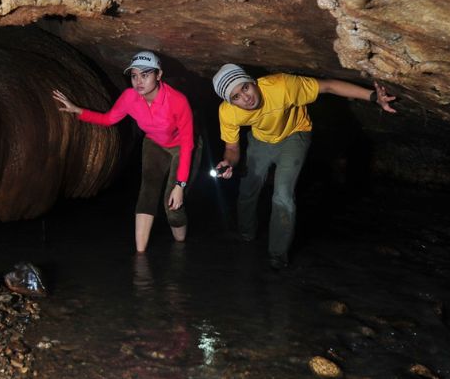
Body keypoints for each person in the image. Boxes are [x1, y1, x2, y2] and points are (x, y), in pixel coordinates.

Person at [211, 64, 396, 269]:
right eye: (236, 97)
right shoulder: (227, 113)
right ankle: (246, 237)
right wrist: (229, 163)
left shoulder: (282, 86)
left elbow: (328, 86)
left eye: (245, 88)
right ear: (230, 102)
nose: (245, 98)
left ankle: (277, 257)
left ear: (253, 82)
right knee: (247, 188)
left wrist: (373, 97)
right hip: (261, 139)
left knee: (282, 195)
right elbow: (232, 148)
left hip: (294, 134)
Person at [53, 51, 194, 253]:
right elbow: (109, 119)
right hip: (154, 144)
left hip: (181, 147)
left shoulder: (177, 101)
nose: (138, 81)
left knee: (173, 207)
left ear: (159, 75)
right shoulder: (129, 97)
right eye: (134, 76)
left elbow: (188, 143)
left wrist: (180, 185)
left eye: (145, 75)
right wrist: (78, 111)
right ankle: (140, 256)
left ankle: (181, 249)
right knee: (147, 192)